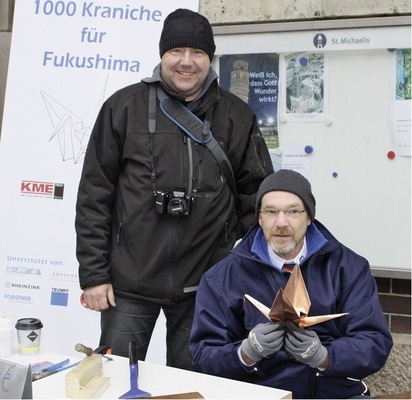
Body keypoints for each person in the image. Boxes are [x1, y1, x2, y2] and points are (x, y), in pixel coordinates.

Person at [75, 8, 273, 370]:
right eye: (176, 51)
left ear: (209, 58)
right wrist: (94, 274)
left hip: (205, 289)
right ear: (162, 55)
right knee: (116, 381)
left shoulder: (237, 116)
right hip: (128, 287)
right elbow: (94, 196)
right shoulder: (123, 107)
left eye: (197, 52)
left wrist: (232, 264)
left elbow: (259, 198)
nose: (186, 62)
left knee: (191, 389)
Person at [190, 169, 393, 398]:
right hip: (261, 394)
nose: (281, 222)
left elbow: (375, 343)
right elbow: (204, 356)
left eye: (293, 211)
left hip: (335, 392)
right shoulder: (221, 277)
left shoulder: (348, 268)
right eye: (271, 211)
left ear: (309, 217)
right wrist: (245, 354)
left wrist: (326, 357)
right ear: (259, 218)